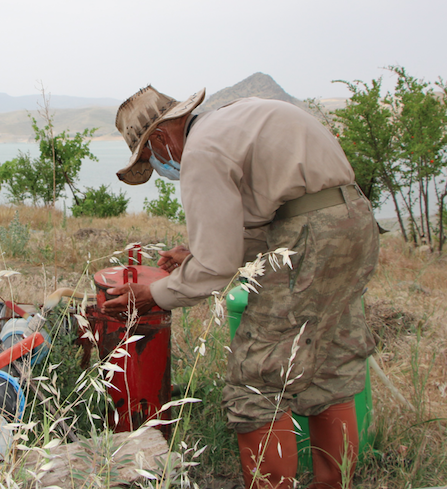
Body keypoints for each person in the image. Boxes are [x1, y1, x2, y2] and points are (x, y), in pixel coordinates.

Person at [102, 85, 378, 489]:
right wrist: (195, 257)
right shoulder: (232, 121)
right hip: (351, 221)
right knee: (328, 364)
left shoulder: (201, 151)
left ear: (160, 137)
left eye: (149, 157)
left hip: (313, 235)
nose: (160, 165)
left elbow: (218, 266)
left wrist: (154, 294)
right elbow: (272, 219)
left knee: (257, 380)